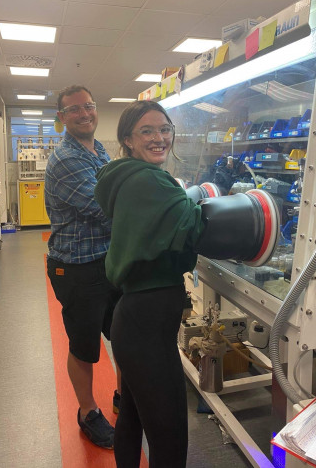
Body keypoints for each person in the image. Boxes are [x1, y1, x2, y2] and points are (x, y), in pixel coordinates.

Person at [94, 100, 206, 467]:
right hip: (147, 321)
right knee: (170, 434)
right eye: (147, 131)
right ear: (127, 139)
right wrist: (201, 200)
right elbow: (192, 225)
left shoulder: (125, 175)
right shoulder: (148, 179)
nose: (159, 138)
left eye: (165, 130)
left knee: (134, 415)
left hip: (135, 318)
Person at [45, 85, 122, 450]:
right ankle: (88, 411)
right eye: (74, 110)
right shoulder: (66, 160)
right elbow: (104, 210)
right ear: (62, 118)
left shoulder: (99, 150)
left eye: (88, 106)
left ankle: (124, 395)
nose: (84, 113)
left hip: (108, 261)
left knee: (121, 333)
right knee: (84, 345)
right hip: (76, 268)